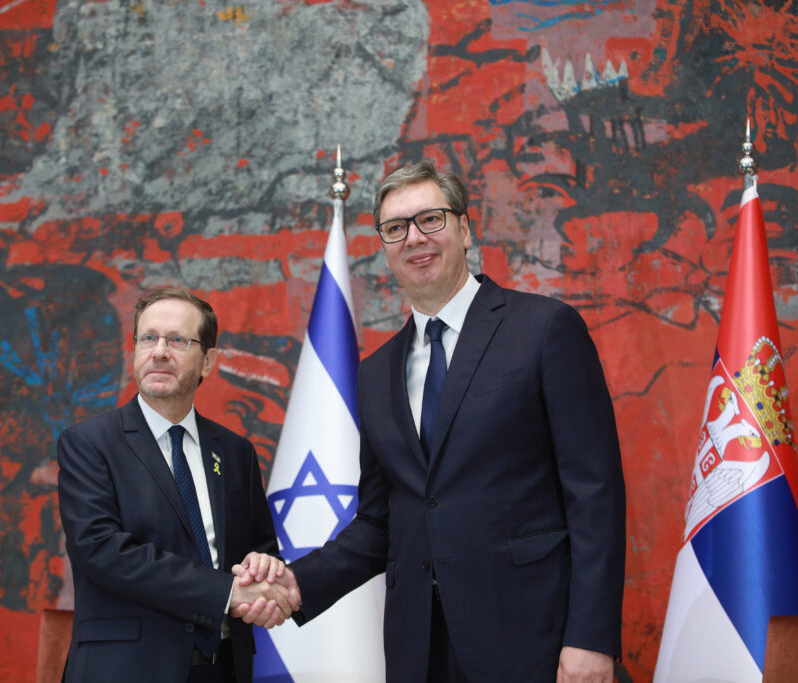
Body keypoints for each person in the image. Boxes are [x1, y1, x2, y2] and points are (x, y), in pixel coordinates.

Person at [237, 161, 626, 682]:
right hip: (419, 648)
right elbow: (380, 523)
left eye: (430, 219)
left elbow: (595, 495)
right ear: (384, 246)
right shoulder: (375, 373)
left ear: (464, 229)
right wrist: (295, 583)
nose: (414, 237)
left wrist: (591, 638)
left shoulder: (544, 329)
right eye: (395, 227)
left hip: (534, 638)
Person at [58, 287, 298, 683]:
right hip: (126, 670)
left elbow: (259, 547)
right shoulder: (88, 443)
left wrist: (263, 567)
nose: (159, 352)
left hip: (224, 667)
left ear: (208, 361)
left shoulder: (235, 451)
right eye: (148, 338)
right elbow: (101, 552)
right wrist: (227, 592)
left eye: (177, 340)